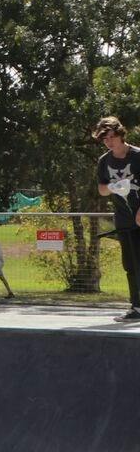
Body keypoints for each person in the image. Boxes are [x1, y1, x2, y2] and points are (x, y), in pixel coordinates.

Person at [94, 116, 140, 322]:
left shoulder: (137, 156)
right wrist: (113, 187)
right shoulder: (104, 161)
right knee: (130, 266)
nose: (109, 142)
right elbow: (101, 189)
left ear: (121, 134)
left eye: (112, 137)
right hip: (123, 220)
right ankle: (137, 307)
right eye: (105, 139)